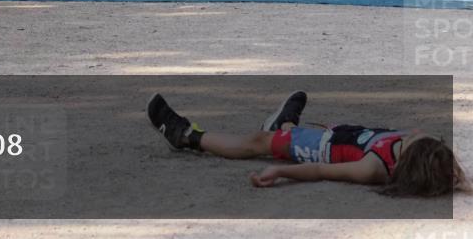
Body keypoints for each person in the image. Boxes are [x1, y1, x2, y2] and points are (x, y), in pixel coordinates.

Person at [147, 91, 468, 197]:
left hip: (315, 147)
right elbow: (459, 177)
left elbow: (321, 170)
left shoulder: (373, 168)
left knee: (256, 143)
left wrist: (281, 171)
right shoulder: (434, 161)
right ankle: (284, 123)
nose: (415, 131)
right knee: (283, 131)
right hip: (343, 133)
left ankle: (188, 136)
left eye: (413, 138)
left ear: (407, 160)